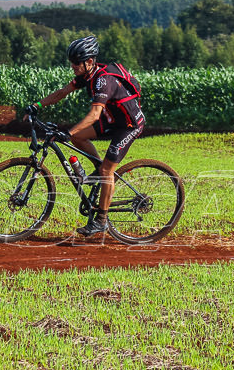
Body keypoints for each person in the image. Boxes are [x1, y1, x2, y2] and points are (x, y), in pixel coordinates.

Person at [25, 35, 145, 237]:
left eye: (76, 63)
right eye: (71, 62)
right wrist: (37, 105)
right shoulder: (86, 75)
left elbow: (95, 114)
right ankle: (100, 170)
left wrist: (68, 131)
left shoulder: (104, 81)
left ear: (90, 61)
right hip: (111, 120)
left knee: (107, 170)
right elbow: (62, 92)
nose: (72, 66)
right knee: (78, 139)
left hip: (129, 125)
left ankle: (101, 220)